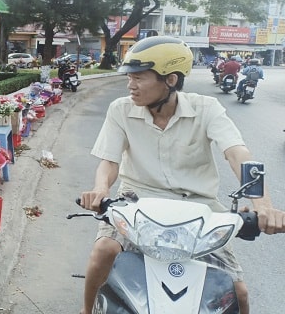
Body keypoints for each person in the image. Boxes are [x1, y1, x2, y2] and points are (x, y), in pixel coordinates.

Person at [79, 36, 285, 314]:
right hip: (136, 205)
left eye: (139, 77)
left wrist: (264, 207)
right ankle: (86, 310)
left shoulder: (207, 108)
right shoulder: (121, 110)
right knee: (102, 252)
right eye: (129, 77)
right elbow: (110, 161)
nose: (130, 85)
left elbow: (238, 155)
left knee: (239, 293)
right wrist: (101, 189)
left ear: (171, 80)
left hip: (199, 212)